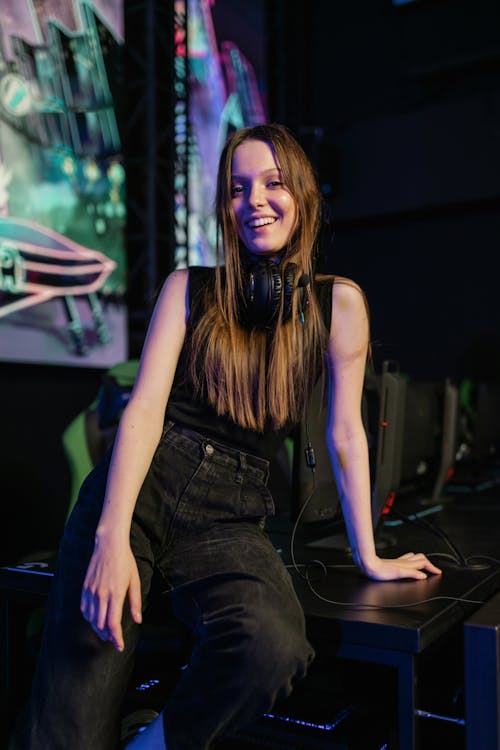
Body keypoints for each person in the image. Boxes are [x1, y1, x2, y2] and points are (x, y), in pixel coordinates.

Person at [12, 123, 441, 750]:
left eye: (273, 183)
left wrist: (368, 554)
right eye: (238, 189)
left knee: (273, 648)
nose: (254, 201)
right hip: (141, 489)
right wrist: (110, 536)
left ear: (303, 196)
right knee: (66, 733)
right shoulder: (188, 289)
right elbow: (145, 409)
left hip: (229, 514)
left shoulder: (337, 305)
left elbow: (347, 433)